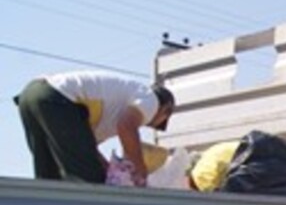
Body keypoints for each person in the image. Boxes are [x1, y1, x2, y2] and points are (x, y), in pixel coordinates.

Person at [16, 70, 175, 186]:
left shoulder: (111, 111)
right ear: (165, 110)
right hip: (57, 99)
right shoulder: (150, 99)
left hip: (31, 95)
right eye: (161, 121)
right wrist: (140, 170)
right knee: (88, 183)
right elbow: (126, 128)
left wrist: (107, 169)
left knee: (49, 179)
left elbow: (87, 149)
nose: (149, 124)